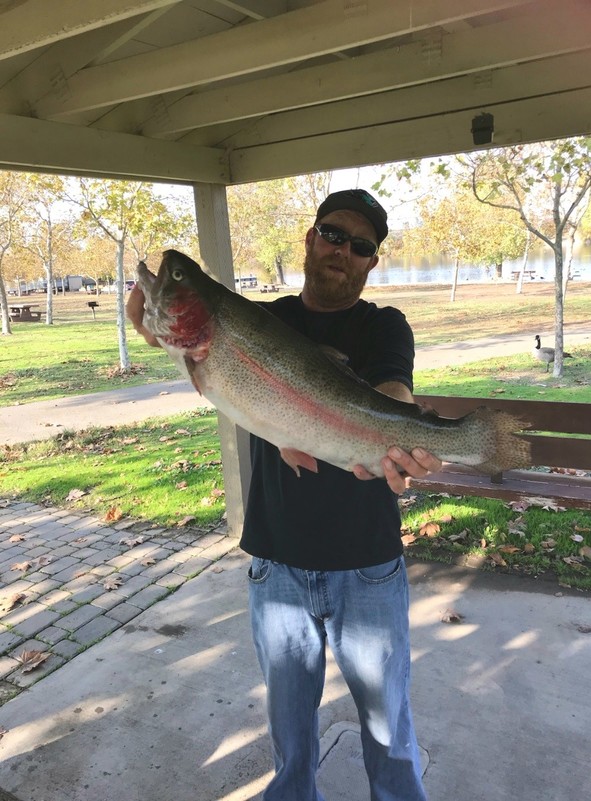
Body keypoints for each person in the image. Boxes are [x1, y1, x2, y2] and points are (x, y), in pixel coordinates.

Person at [127, 188, 442, 801]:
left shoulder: (383, 325)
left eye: (360, 245)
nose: (343, 251)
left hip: (367, 564)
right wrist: (152, 307)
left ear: (371, 261)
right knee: (289, 733)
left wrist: (404, 438)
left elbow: (393, 391)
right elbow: (164, 330)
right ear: (309, 238)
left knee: (387, 726)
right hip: (277, 565)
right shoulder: (263, 321)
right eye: (333, 234)